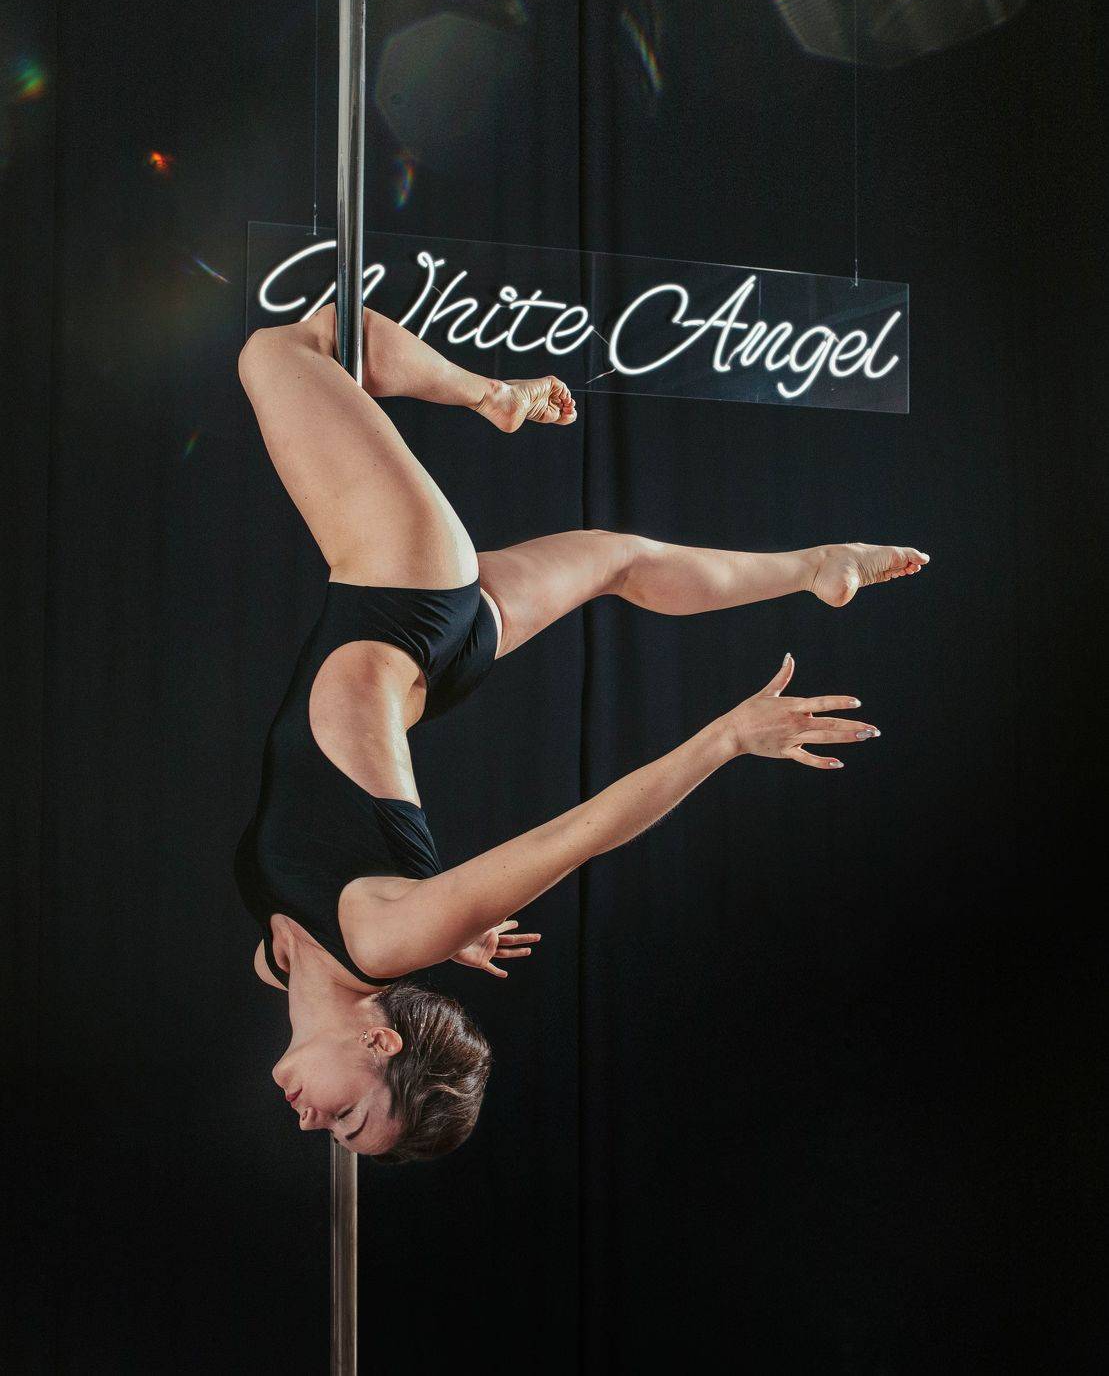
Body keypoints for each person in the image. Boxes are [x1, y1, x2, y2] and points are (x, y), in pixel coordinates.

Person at [234, 303, 928, 1163]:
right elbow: (582, 833)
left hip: (428, 657)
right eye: (347, 1117)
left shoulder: (286, 962)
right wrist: (724, 739)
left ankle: (816, 566)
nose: (313, 1122)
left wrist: (449, 920)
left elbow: (352, 887)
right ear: (379, 1044)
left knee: (621, 561)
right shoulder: (384, 940)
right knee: (286, 348)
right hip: (399, 592)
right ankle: (488, 395)